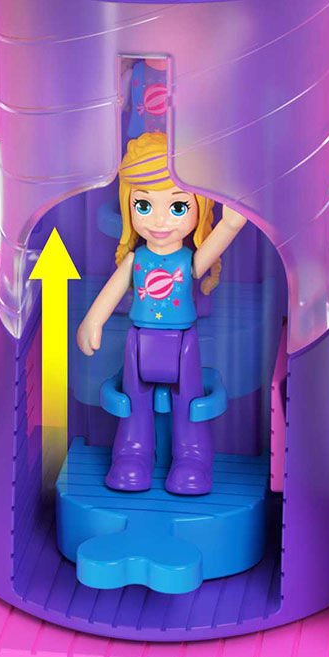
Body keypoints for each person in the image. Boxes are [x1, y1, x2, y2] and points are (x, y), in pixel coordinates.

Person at [76, 132, 246, 495]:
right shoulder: (137, 260)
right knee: (134, 404)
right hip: (139, 342)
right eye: (143, 205)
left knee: (188, 405)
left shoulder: (188, 260)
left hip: (183, 343)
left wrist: (230, 223)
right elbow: (112, 291)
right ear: (128, 205)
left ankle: (192, 459)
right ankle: (131, 456)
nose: (159, 221)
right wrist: (93, 320)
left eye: (177, 207)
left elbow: (216, 244)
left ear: (198, 207)